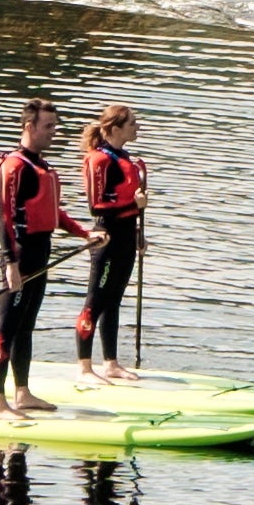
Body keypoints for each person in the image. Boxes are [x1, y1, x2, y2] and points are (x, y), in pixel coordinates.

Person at [0, 99, 100, 418]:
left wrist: (84, 234)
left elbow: (53, 212)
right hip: (20, 255)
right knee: (6, 329)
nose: (55, 131)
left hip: (41, 252)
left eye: (55, 125)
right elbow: (4, 218)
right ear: (30, 127)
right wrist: (10, 263)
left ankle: (22, 393)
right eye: (48, 126)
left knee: (26, 327)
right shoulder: (13, 166)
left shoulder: (42, 166)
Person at [74, 104, 147, 385]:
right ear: (115, 128)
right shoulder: (99, 160)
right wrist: (133, 203)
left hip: (127, 236)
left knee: (114, 301)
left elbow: (132, 207)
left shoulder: (125, 157)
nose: (136, 128)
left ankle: (111, 363)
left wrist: (139, 234)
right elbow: (96, 206)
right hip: (107, 237)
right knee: (95, 302)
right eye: (132, 123)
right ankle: (84, 367)